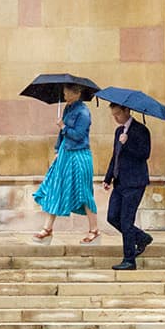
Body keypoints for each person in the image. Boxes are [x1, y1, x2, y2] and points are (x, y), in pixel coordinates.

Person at [32, 84, 101, 244]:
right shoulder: (67, 109)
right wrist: (57, 150)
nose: (64, 93)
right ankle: (47, 229)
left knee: (83, 192)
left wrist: (63, 126)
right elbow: (61, 135)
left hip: (79, 155)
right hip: (65, 153)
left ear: (77, 93)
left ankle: (94, 230)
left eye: (67, 91)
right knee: (55, 187)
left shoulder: (83, 112)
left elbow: (78, 135)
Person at [102, 101, 154, 270]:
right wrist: (108, 177)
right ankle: (142, 237)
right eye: (114, 115)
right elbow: (115, 155)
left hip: (135, 182)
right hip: (119, 182)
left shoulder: (141, 130)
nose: (116, 118)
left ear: (127, 110)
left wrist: (128, 143)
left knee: (126, 220)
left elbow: (144, 154)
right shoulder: (119, 131)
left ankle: (129, 259)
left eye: (118, 114)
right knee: (112, 217)